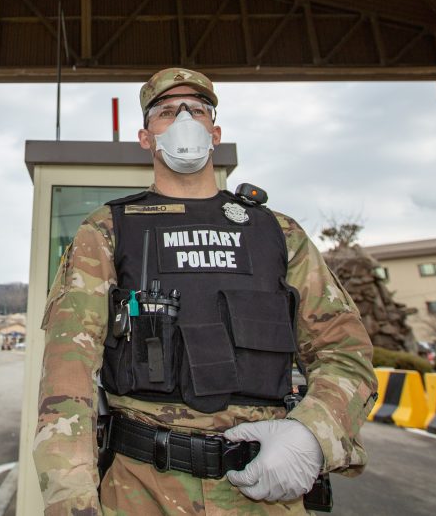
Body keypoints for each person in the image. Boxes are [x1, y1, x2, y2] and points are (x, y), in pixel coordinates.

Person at [33, 68, 377, 515]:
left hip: (264, 489)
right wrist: (72, 504)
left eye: (196, 110)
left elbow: (346, 351)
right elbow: (68, 375)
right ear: (145, 136)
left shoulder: (277, 232)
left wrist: (313, 434)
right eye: (165, 111)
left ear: (215, 133)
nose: (183, 120)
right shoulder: (107, 229)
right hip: (141, 489)